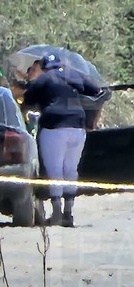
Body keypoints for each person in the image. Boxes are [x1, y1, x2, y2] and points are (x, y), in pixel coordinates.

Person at [22, 54, 105, 227]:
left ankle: (57, 213)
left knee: (55, 170)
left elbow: (27, 101)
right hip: (77, 126)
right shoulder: (73, 74)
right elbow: (97, 91)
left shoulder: (44, 79)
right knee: (71, 169)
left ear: (44, 67)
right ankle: (68, 213)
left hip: (54, 126)